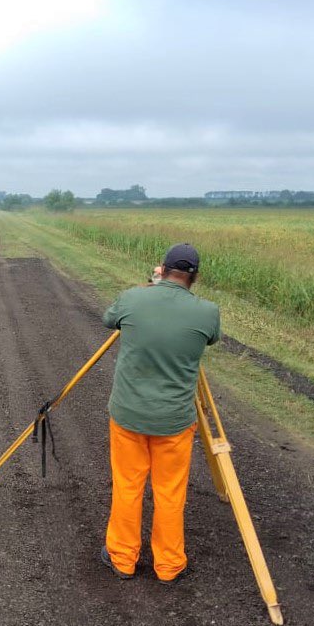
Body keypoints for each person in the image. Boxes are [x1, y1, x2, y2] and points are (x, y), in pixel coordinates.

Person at [100, 243, 220, 584]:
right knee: (170, 492)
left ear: (162, 269)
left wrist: (149, 288)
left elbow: (109, 318)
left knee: (128, 485)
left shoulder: (133, 298)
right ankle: (168, 566)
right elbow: (211, 339)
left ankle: (123, 558)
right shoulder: (208, 311)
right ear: (194, 276)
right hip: (175, 422)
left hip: (128, 415)